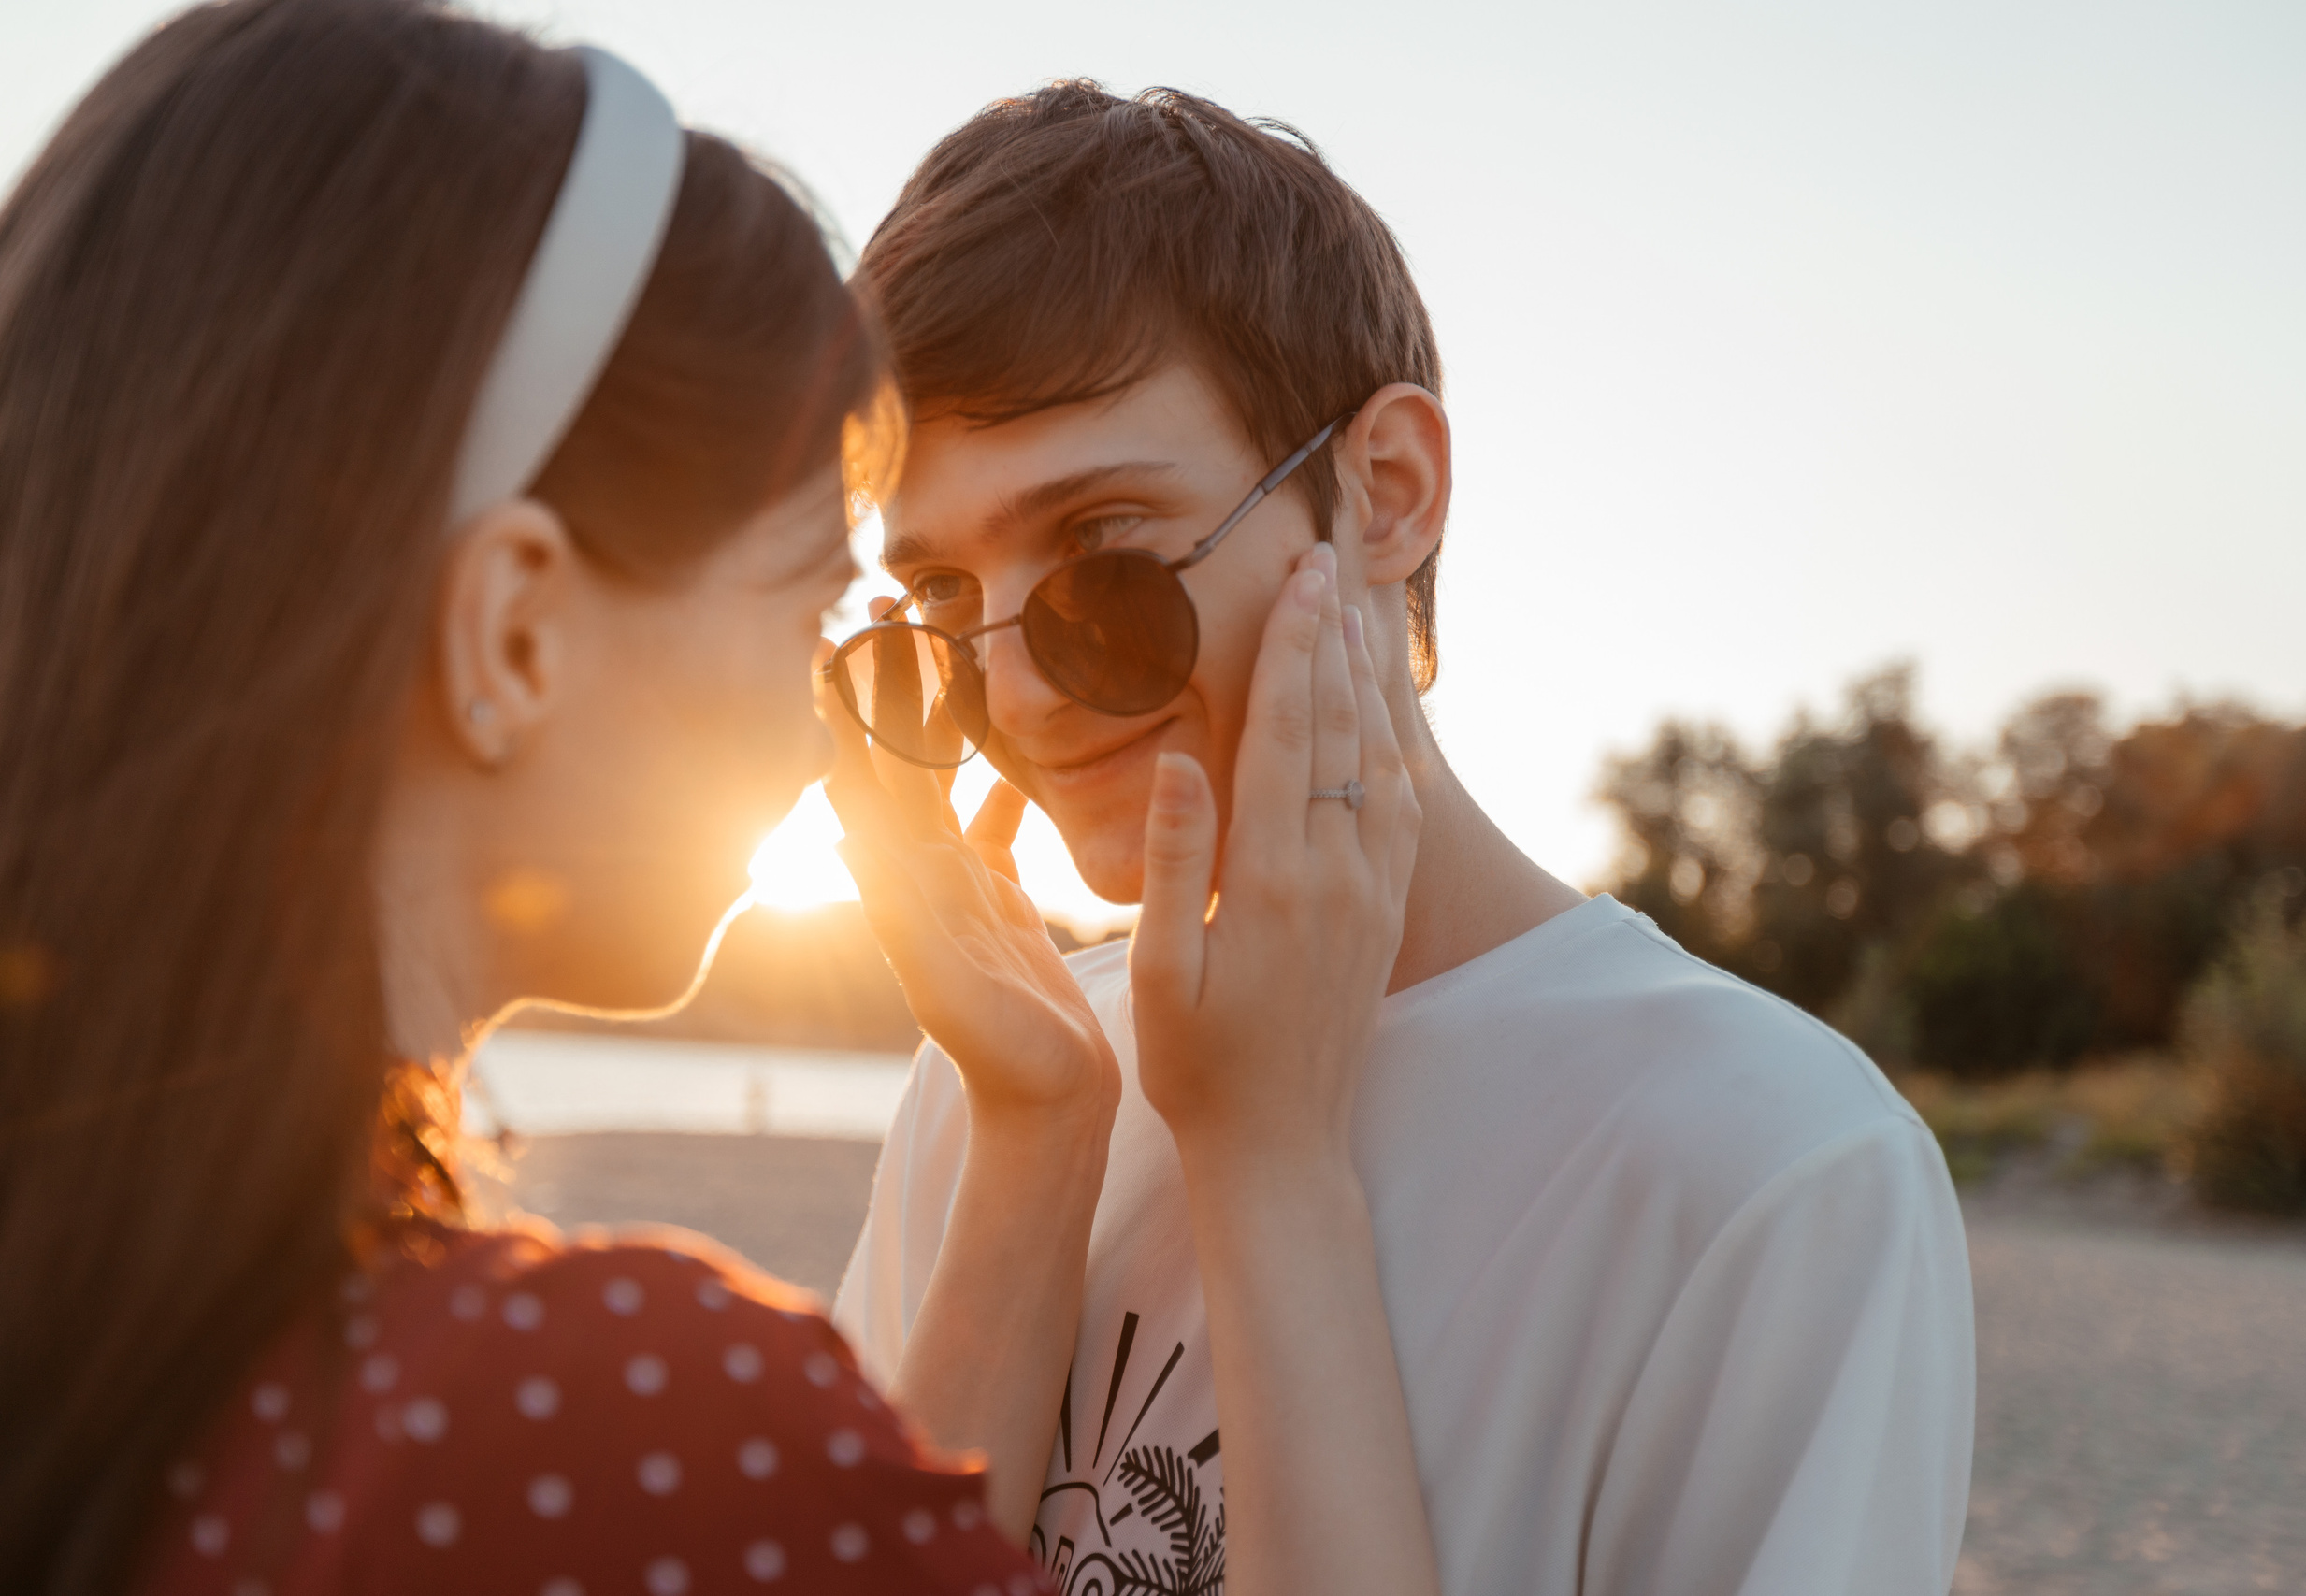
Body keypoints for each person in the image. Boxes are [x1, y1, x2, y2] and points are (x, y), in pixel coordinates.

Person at [0, 6, 1437, 1594]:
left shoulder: (133, 1333)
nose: (840, 737)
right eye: (828, 614)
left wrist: (1039, 1123)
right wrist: (1279, 1167)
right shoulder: (596, 1418)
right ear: (516, 631)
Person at [829, 82, 1979, 1594]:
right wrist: (1032, 1142)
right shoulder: (1000, 1086)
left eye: (1102, 557)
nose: (1019, 693)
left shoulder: (1774, 1168)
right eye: (933, 613)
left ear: (1385, 495)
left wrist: (1265, 1157)